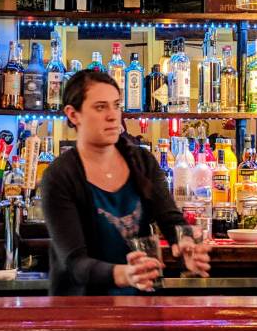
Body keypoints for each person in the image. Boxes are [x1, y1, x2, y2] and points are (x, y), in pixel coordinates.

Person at [40, 69, 211, 295]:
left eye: (116, 105)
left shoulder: (142, 162)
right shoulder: (59, 175)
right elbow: (75, 263)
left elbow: (171, 220)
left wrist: (187, 242)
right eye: (100, 107)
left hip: (139, 306)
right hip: (81, 313)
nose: (113, 116)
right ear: (73, 115)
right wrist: (125, 274)